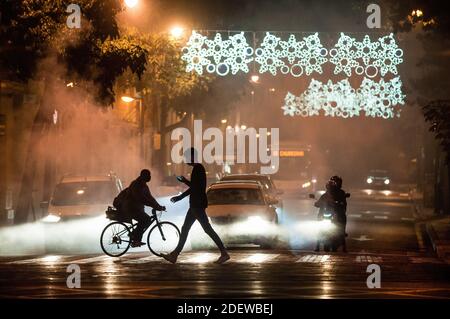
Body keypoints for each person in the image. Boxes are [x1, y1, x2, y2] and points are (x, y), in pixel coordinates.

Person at [161, 147, 230, 264]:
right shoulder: (198, 168)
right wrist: (184, 186)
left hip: (197, 205)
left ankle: (224, 253)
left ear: (192, 157)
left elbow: (196, 187)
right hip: (195, 205)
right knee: (186, 229)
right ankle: (174, 255)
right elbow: (195, 186)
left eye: (186, 157)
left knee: (206, 229)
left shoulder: (198, 168)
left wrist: (182, 191)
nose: (185, 160)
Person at [124, 169, 166, 247]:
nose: (149, 177)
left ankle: (134, 235)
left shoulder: (144, 185)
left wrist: (158, 206)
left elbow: (150, 198)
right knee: (145, 220)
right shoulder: (136, 184)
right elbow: (142, 199)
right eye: (148, 175)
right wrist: (154, 206)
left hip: (137, 208)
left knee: (145, 220)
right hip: (131, 208)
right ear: (143, 176)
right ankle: (136, 240)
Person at [314, 177, 348, 252]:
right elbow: (319, 202)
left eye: (332, 187)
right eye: (329, 187)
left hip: (336, 213)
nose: (330, 188)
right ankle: (317, 245)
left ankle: (343, 242)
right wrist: (317, 203)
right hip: (325, 214)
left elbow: (343, 203)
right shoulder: (325, 195)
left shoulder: (341, 193)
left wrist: (339, 204)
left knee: (342, 221)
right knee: (319, 227)